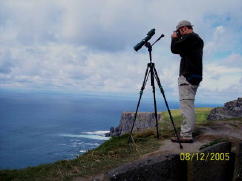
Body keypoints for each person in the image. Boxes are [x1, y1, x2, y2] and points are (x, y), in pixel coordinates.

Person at [170, 20, 204, 143]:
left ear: (183, 28)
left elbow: (174, 49)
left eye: (179, 31)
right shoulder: (196, 40)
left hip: (188, 76)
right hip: (194, 76)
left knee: (186, 107)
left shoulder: (190, 37)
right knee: (189, 105)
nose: (179, 34)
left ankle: (186, 135)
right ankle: (187, 132)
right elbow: (182, 52)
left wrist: (174, 38)